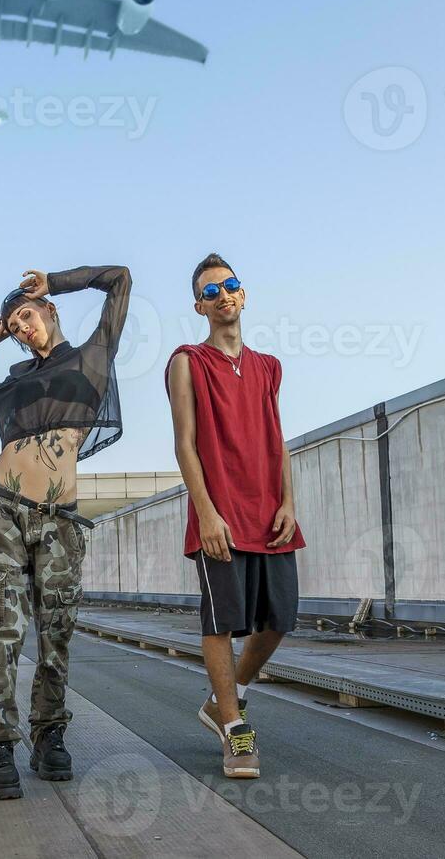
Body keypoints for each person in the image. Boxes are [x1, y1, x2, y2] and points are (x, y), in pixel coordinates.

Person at [0, 264, 131, 800]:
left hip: (60, 519)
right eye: (13, 324)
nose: (21, 328)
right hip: (2, 512)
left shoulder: (92, 357)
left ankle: (49, 733)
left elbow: (120, 279)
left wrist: (53, 281)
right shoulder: (12, 380)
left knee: (55, 632)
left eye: (26, 316)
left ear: (48, 312)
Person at [166, 252, 305, 781]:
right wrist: (206, 513)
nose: (222, 295)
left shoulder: (269, 367)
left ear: (243, 294)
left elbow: (276, 438)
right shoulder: (187, 361)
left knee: (281, 619)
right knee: (223, 620)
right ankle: (233, 726)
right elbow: (185, 444)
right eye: (210, 291)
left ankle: (228, 696)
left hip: (270, 511)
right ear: (199, 306)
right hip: (220, 512)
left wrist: (288, 502)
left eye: (231, 286)